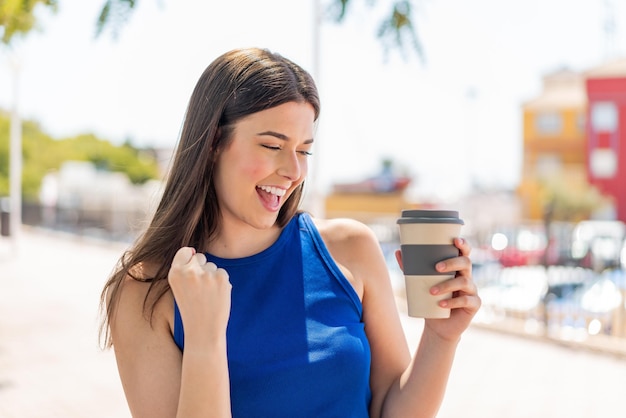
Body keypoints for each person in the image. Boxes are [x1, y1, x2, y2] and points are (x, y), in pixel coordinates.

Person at [99, 47, 481, 418]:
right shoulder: (145, 292)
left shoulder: (349, 249)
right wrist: (204, 339)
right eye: (272, 145)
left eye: (304, 151)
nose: (294, 171)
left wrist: (440, 338)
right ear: (214, 142)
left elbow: (388, 409)